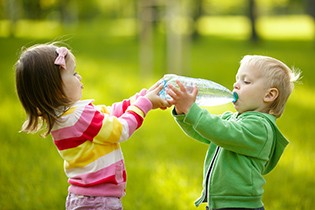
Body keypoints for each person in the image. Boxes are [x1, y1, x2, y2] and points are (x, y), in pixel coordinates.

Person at [15, 43, 170, 210]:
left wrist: (141, 97)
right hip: (98, 201)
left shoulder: (66, 116)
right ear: (56, 89)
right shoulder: (78, 116)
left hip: (85, 198)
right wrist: (144, 104)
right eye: (73, 73)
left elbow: (110, 113)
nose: (79, 77)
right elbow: (120, 130)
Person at [166, 55, 301, 210]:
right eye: (237, 79)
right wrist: (183, 113)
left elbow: (220, 131)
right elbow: (204, 131)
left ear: (269, 95)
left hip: (240, 206)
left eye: (246, 81)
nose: (236, 85)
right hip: (219, 204)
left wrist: (192, 109)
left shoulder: (260, 128)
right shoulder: (232, 119)